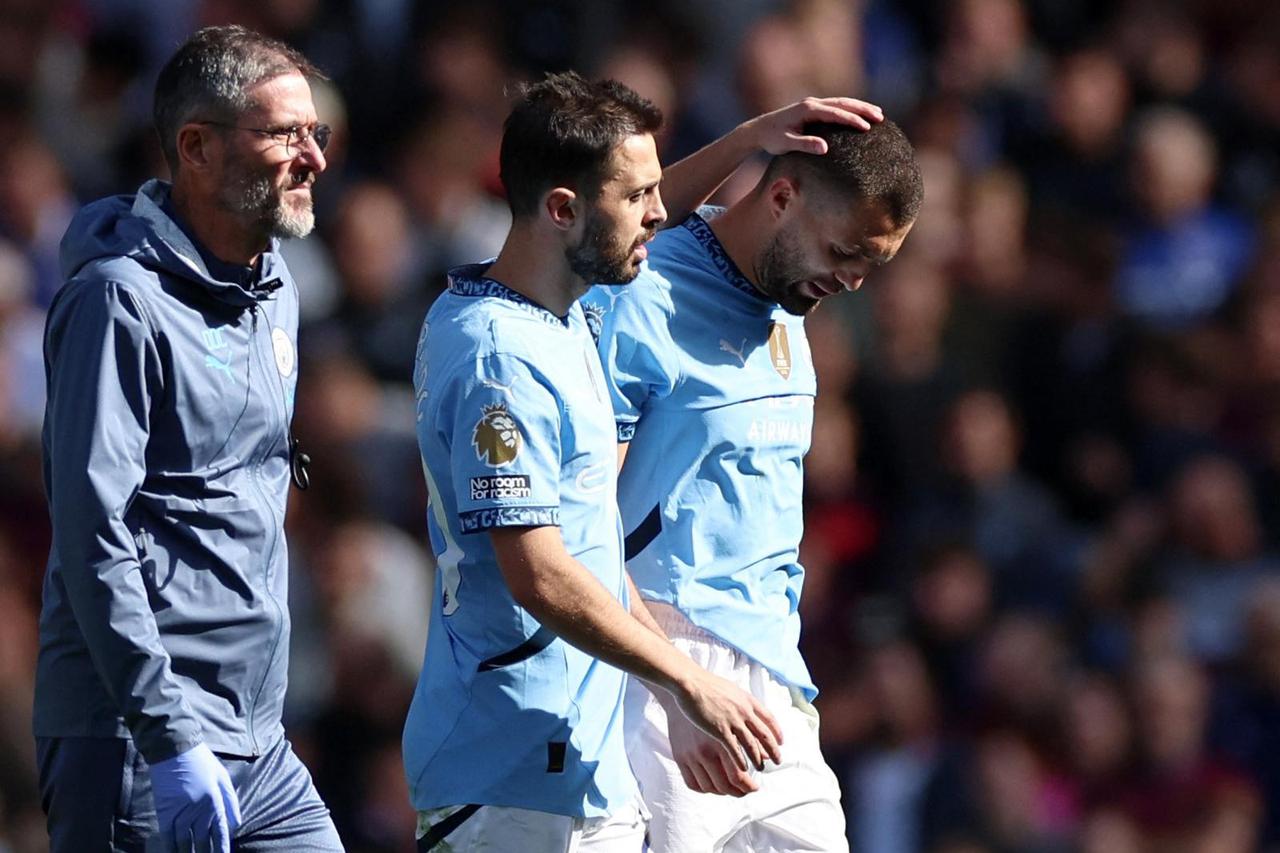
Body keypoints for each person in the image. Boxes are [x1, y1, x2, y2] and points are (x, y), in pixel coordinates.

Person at [404, 72, 881, 852]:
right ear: (562, 211)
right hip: (509, 761)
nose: (663, 215)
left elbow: (639, 216)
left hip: (582, 762)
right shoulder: (500, 356)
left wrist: (750, 139)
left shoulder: (566, 317)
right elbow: (541, 574)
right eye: (639, 199)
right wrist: (683, 682)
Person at [33, 25, 342, 853]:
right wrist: (170, 737)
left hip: (258, 740)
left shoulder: (272, 288)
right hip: (135, 736)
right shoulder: (115, 304)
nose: (312, 157)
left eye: (317, 133)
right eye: (284, 134)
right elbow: (95, 531)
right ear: (196, 147)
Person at [583, 118, 923, 851]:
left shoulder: (792, 297)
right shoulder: (641, 295)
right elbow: (584, 521)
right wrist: (676, 688)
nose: (853, 280)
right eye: (845, 252)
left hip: (778, 680)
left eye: (875, 264)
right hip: (661, 667)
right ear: (782, 195)